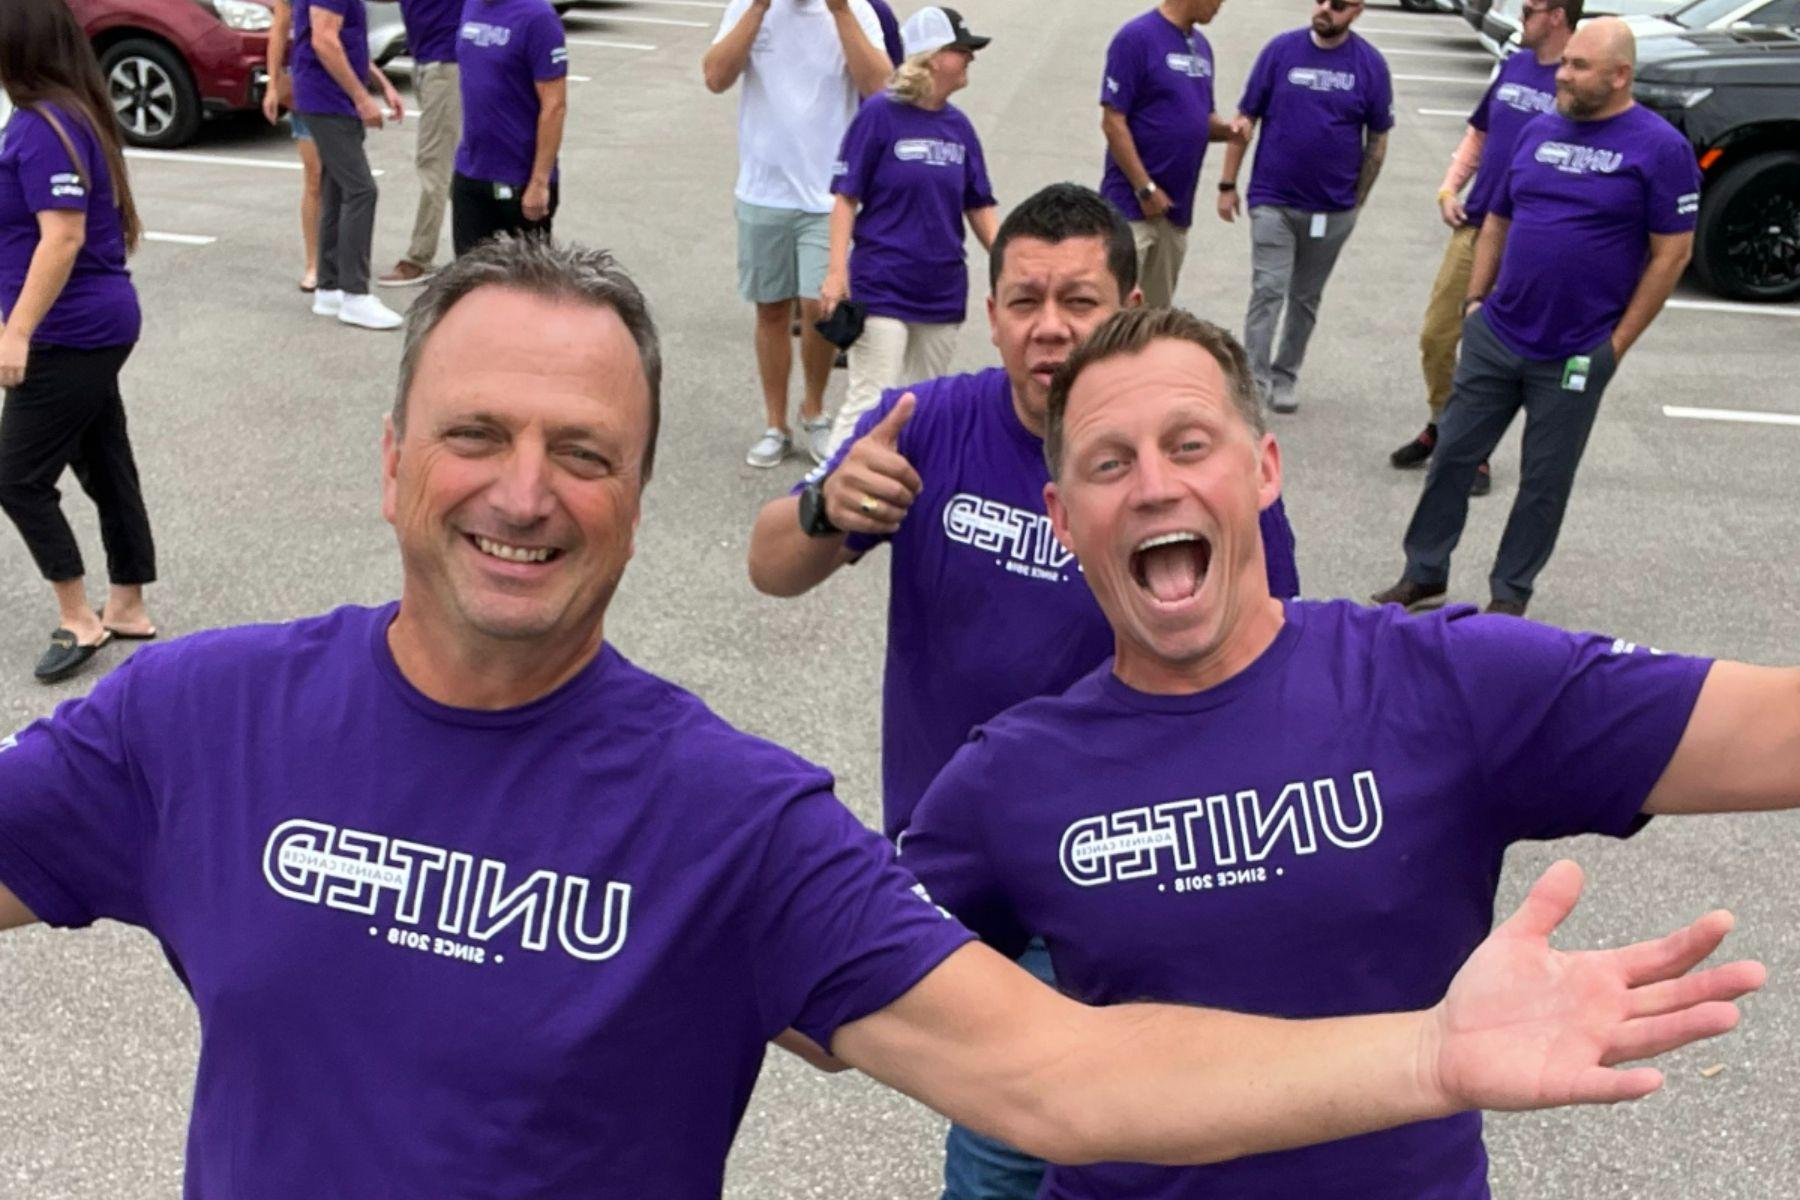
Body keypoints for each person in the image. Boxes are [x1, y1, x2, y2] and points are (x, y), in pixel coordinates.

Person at [0, 236, 1764, 1197]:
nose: (524, 494)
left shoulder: (729, 820)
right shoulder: (195, 723)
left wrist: (1430, 1060)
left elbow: (1053, 1074)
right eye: (477, 436)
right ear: (393, 460)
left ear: (630, 497)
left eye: (586, 453)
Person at [899, 304, 1793, 1199]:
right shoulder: (1009, 776)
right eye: (1109, 463)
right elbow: (831, 977)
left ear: (1264, 471)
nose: (1152, 486)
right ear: (1061, 516)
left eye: (1190, 444)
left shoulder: (1439, 681)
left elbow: (1772, 732)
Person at [752, 185, 1297, 1197]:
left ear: (1129, 304)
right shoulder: (927, 424)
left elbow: (1272, 662)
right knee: (1008, 1148)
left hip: (1137, 871)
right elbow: (769, 567)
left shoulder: (1175, 468)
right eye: (1024, 300)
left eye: (1080, 302)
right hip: (969, 876)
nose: (1049, 329)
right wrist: (828, 506)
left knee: (1118, 1140)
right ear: (992, 310)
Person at [1373, 18, 1696, 618]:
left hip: (1575, 350)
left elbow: (1672, 254)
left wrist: (1615, 346)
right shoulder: (1539, 130)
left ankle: (1509, 597)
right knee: (1451, 459)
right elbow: (1497, 219)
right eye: (1565, 62)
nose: (1563, 76)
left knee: (1544, 484)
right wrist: (1475, 306)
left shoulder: (1660, 148)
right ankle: (1424, 572)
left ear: (1620, 76)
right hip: (1499, 333)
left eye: (1578, 67)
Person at [0, 0, 159, 684]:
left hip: (70, 332)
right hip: (94, 324)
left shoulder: (43, 125)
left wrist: (17, 330)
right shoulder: (71, 111)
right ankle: (128, 603)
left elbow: (61, 236)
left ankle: (80, 618)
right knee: (103, 461)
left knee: (16, 476)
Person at [1392, 0, 1579, 496]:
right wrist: (1449, 187)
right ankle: (1441, 423)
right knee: (1437, 335)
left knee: (1488, 349)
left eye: (1532, 7)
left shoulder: (1573, 81)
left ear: (1558, 15)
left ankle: (1473, 451)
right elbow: (1480, 131)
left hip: (1528, 240)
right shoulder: (1515, 64)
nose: (1521, 13)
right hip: (1476, 227)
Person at [702, 0, 893, 467]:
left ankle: (814, 410)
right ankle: (774, 424)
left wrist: (842, 12)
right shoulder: (748, 7)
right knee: (770, 310)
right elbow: (715, 77)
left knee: (817, 307)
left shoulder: (854, 11)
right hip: (763, 190)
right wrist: (759, 9)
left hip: (827, 197)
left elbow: (881, 87)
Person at [819, 6, 999, 456]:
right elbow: (845, 197)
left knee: (922, 405)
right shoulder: (879, 115)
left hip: (940, 289)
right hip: (882, 283)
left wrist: (1011, 262)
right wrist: (836, 273)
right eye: (962, 51)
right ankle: (825, 497)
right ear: (935, 57)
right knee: (872, 401)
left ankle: (899, 506)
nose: (971, 59)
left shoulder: (959, 128)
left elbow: (979, 204)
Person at [1216, 0, 1392, 414]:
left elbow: (1378, 139)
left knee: (1305, 298)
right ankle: (1254, 381)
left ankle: (1285, 374)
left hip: (1332, 210)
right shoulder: (1281, 51)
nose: (1325, 8)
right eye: (1321, 0)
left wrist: (1356, 202)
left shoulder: (1369, 65)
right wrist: (1227, 184)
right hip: (1272, 200)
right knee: (1268, 290)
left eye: (1338, 4)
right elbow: (1245, 120)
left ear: (1357, 10)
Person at [1099, 0, 1242, 310]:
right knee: (1112, 314)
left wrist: (1229, 130)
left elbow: (1201, 118)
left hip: (1175, 211)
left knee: (1153, 319)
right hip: (1132, 207)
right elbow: (1113, 121)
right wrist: (1144, 187)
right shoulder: (1136, 38)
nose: (1221, 5)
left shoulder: (1202, 48)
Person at [294, 0, 409, 330]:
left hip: (328, 97)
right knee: (361, 191)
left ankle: (329, 288)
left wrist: (382, 84)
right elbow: (324, 39)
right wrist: (362, 98)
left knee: (337, 189)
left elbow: (346, 40)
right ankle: (355, 295)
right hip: (327, 98)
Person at [450, 0, 569, 255]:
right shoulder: (471, 5)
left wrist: (539, 181)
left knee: (526, 286)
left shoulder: (538, 18)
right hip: (471, 171)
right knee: (469, 283)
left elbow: (555, 106)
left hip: (520, 179)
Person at [375, 0, 466, 287]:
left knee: (433, 162)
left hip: (445, 64)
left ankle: (419, 258)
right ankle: (481, 247)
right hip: (427, 62)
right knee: (448, 165)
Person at [262, 0, 327, 294]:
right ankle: (314, 263)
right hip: (308, 85)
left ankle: (338, 260)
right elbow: (279, 27)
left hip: (342, 85)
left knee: (344, 181)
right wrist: (273, 85)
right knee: (314, 177)